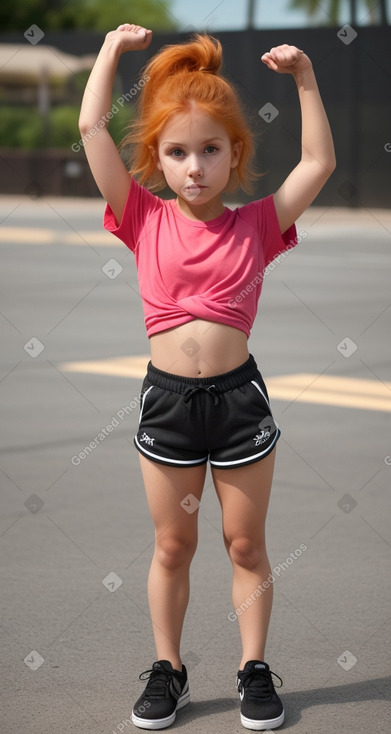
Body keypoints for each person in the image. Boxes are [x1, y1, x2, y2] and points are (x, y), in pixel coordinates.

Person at [79, 23, 335, 731]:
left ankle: (254, 669)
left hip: (237, 401)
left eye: (210, 149)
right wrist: (109, 52)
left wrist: (305, 78)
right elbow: (90, 126)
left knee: (245, 545)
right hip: (166, 403)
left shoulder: (256, 224)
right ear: (157, 160)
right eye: (177, 152)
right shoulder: (141, 217)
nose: (195, 166)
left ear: (234, 154)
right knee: (172, 545)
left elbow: (317, 161)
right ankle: (170, 669)